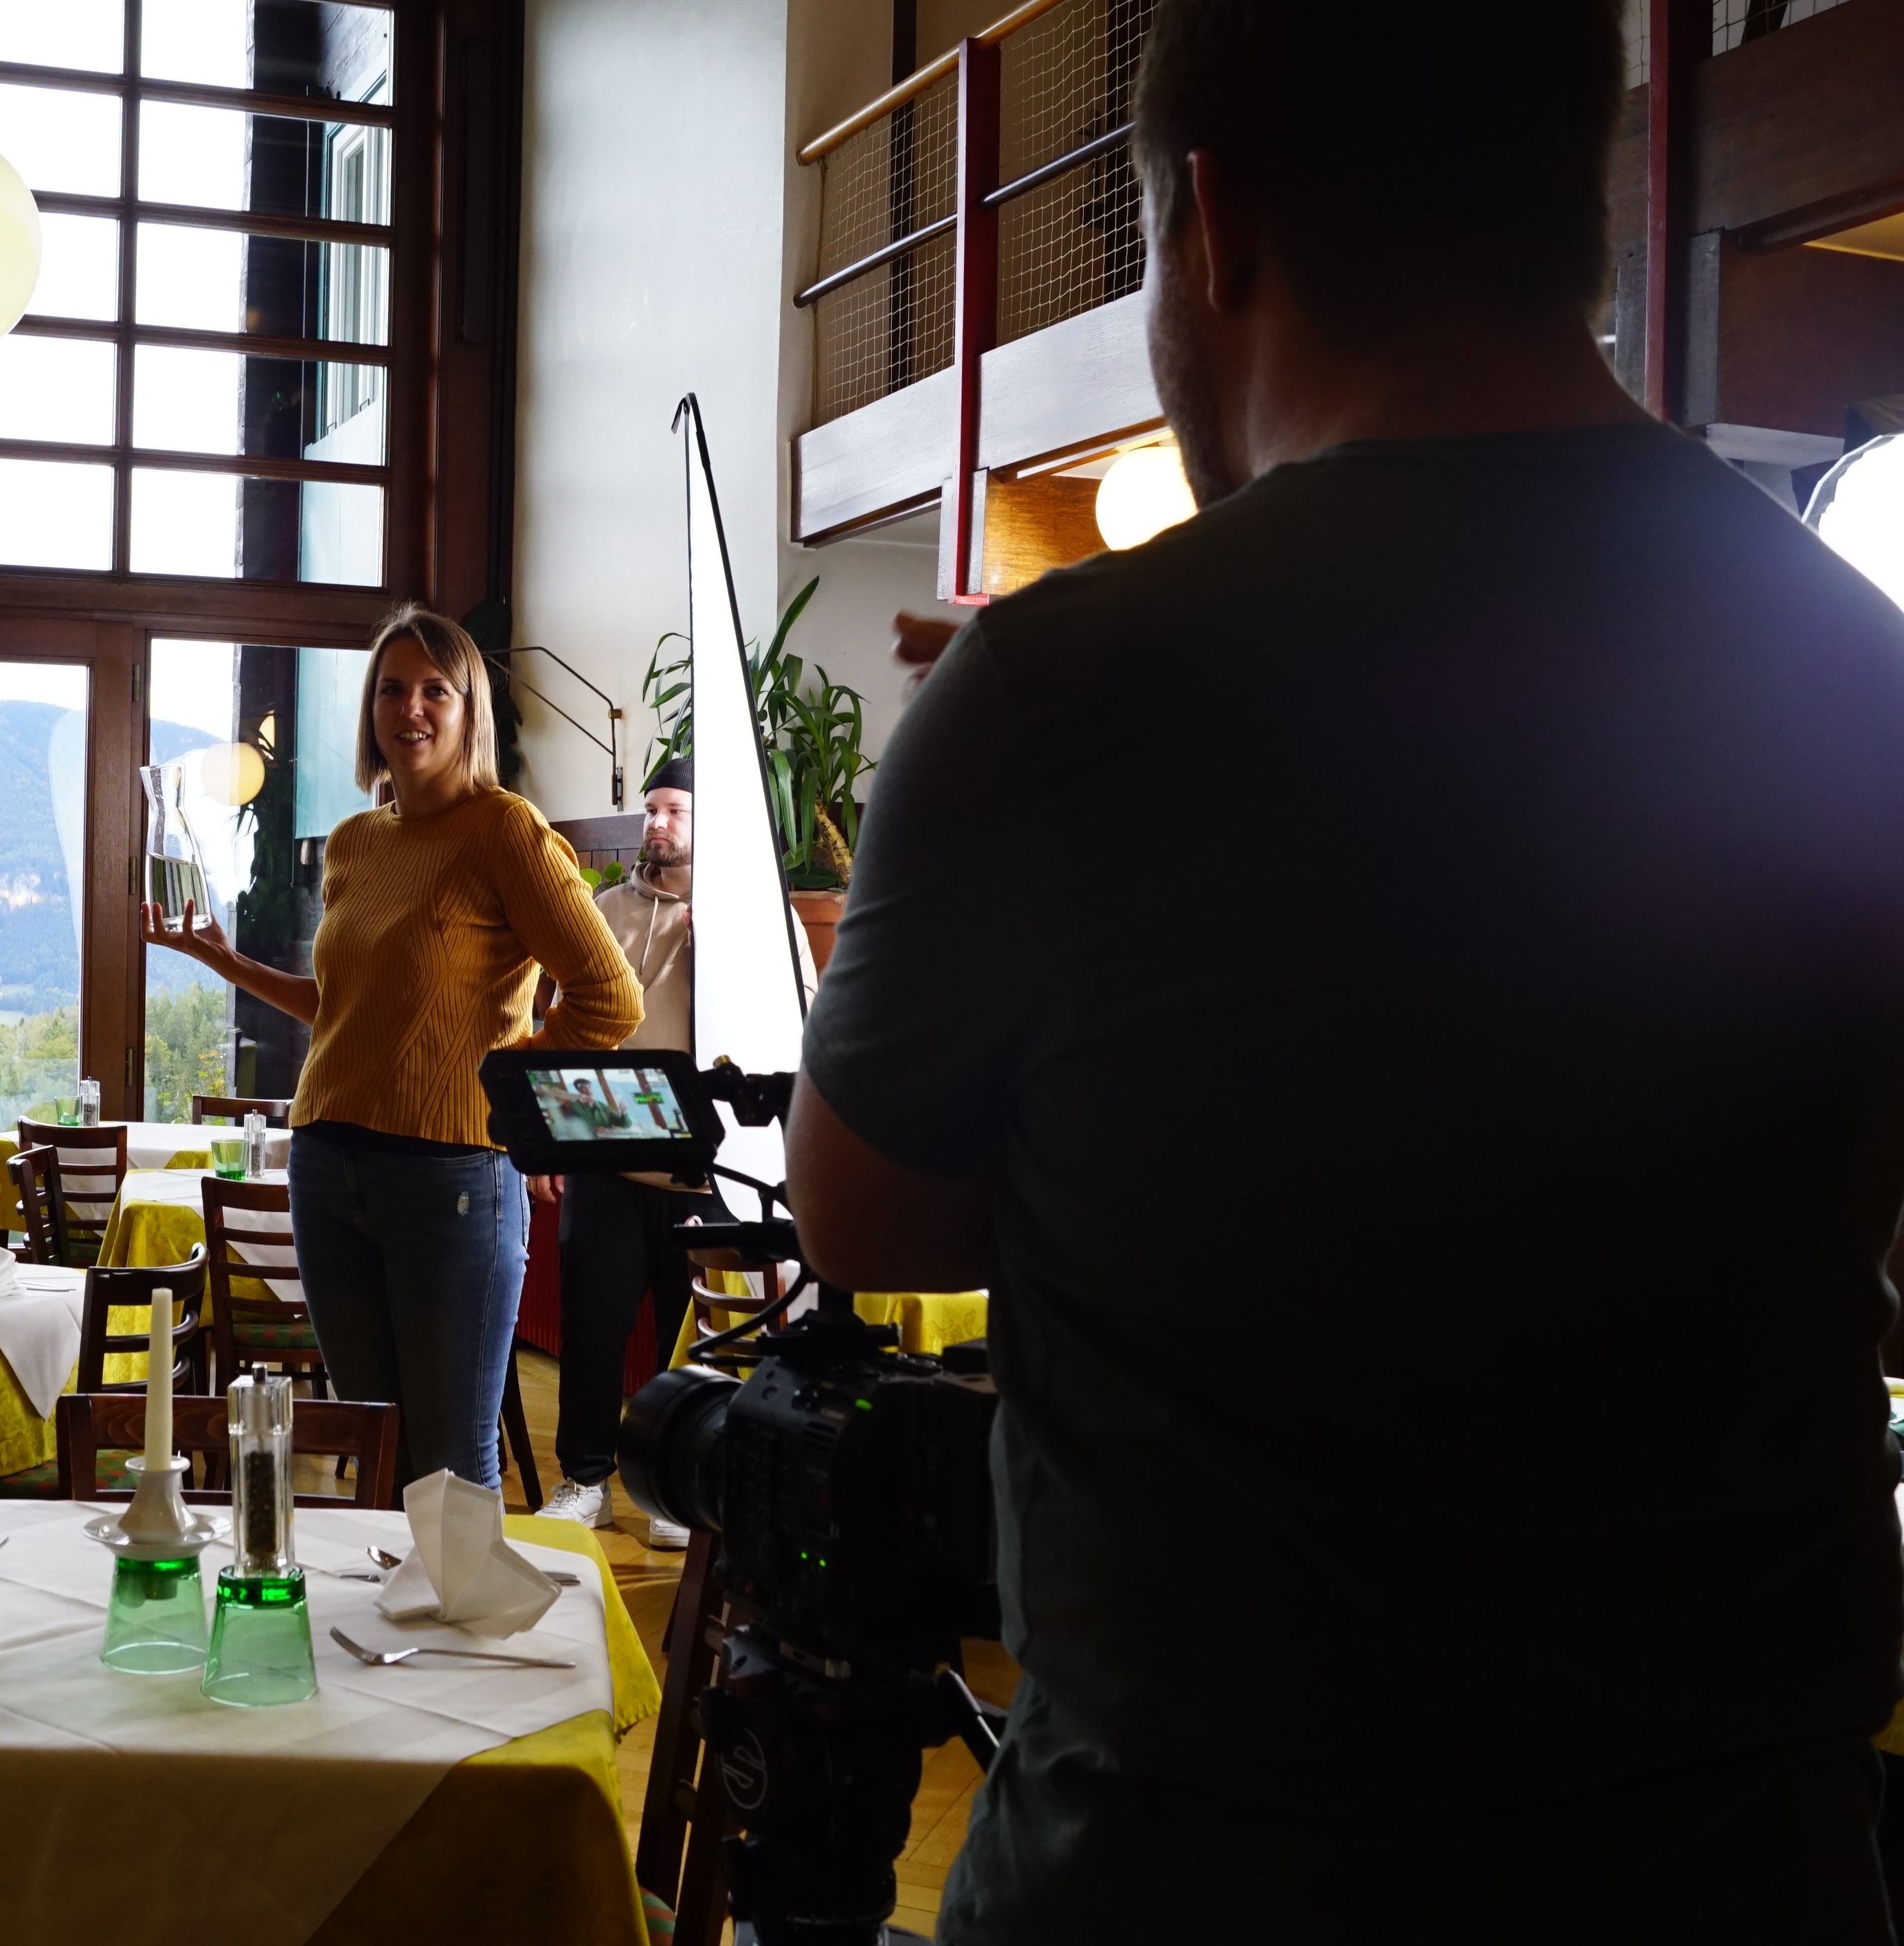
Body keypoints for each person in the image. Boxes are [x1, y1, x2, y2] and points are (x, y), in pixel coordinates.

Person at [790, 4, 1904, 1939]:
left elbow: (867, 1211)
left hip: (1197, 1869)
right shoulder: (1858, 672)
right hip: (1737, 1870)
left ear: (1211, 230)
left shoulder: (1055, 698)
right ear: (1585, 219)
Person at [143, 606, 641, 1486]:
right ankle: (383, 1625)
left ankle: (462, 1623)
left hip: (451, 1179)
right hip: (327, 1167)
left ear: (467, 711)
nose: (410, 708)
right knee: (372, 1447)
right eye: (391, 689)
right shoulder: (355, 842)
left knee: (449, 1460)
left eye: (433, 690)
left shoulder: (504, 830)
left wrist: (506, 1091)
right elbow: (343, 1004)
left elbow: (610, 996)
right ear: (371, 710)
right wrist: (225, 961)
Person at [532, 759, 718, 1545]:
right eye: (650, 810)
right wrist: (544, 1145)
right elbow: (554, 1025)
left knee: (692, 1334)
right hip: (601, 1155)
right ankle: (586, 1481)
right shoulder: (601, 911)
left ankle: (673, 1490)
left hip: (701, 1165)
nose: (656, 825)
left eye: (673, 811)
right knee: (594, 1325)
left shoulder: (744, 918)